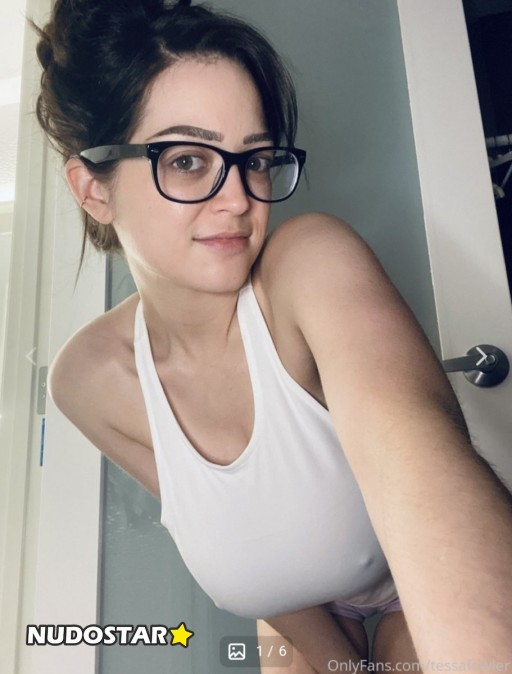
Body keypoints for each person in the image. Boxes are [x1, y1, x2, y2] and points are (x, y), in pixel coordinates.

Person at [33, 0, 512, 672]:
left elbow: (423, 457)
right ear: (93, 189)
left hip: (415, 591)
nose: (239, 198)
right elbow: (240, 538)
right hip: (301, 610)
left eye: (255, 159)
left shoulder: (311, 268)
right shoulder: (87, 383)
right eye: (188, 160)